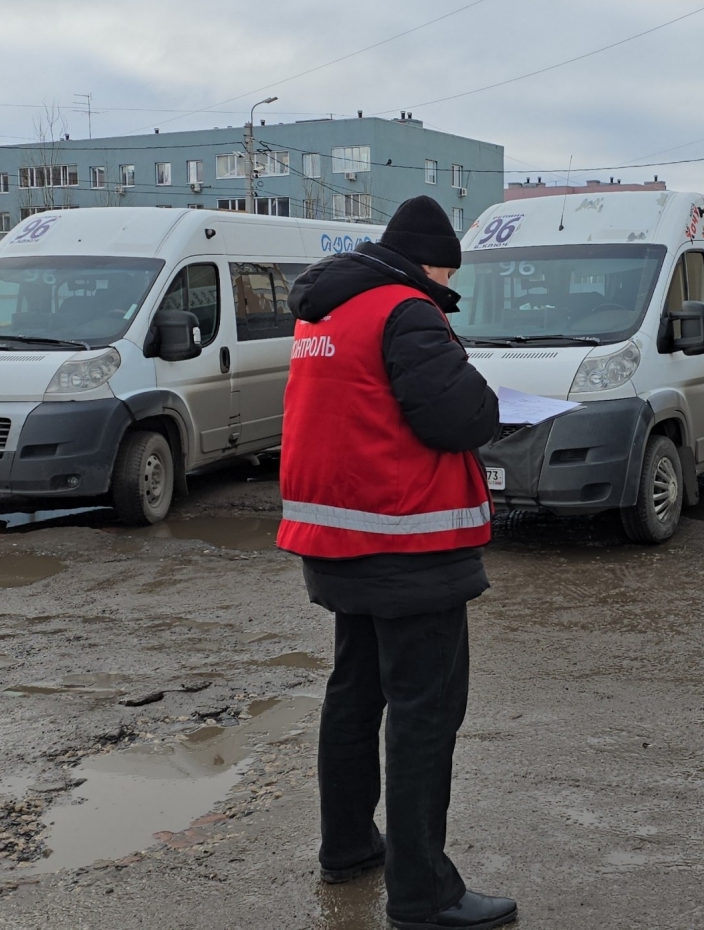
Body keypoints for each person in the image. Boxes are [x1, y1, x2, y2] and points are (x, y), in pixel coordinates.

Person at [277, 195, 516, 930]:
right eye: (448, 274)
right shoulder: (406, 310)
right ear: (429, 263)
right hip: (409, 541)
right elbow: (462, 416)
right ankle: (424, 896)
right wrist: (483, 391)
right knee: (424, 713)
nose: (449, 285)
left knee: (355, 694)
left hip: (338, 537)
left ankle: (348, 845)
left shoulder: (324, 310)